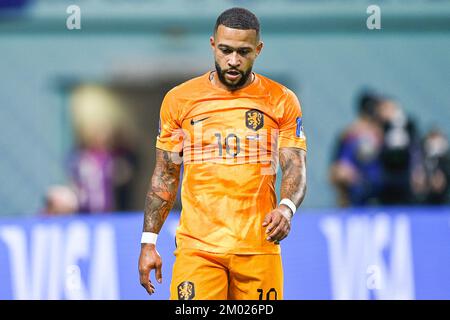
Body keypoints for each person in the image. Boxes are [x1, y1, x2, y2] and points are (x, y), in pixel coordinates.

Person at [138, 7, 307, 300]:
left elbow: (294, 165)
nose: (233, 60)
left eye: (243, 52)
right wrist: (148, 242)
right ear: (213, 45)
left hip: (257, 246)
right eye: (226, 50)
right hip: (198, 248)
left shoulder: (280, 100)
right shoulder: (180, 100)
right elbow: (166, 174)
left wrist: (286, 208)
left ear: (258, 49)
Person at [329, 91, 384, 206]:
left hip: (378, 184)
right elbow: (334, 171)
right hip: (353, 188)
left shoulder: (383, 133)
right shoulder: (349, 134)